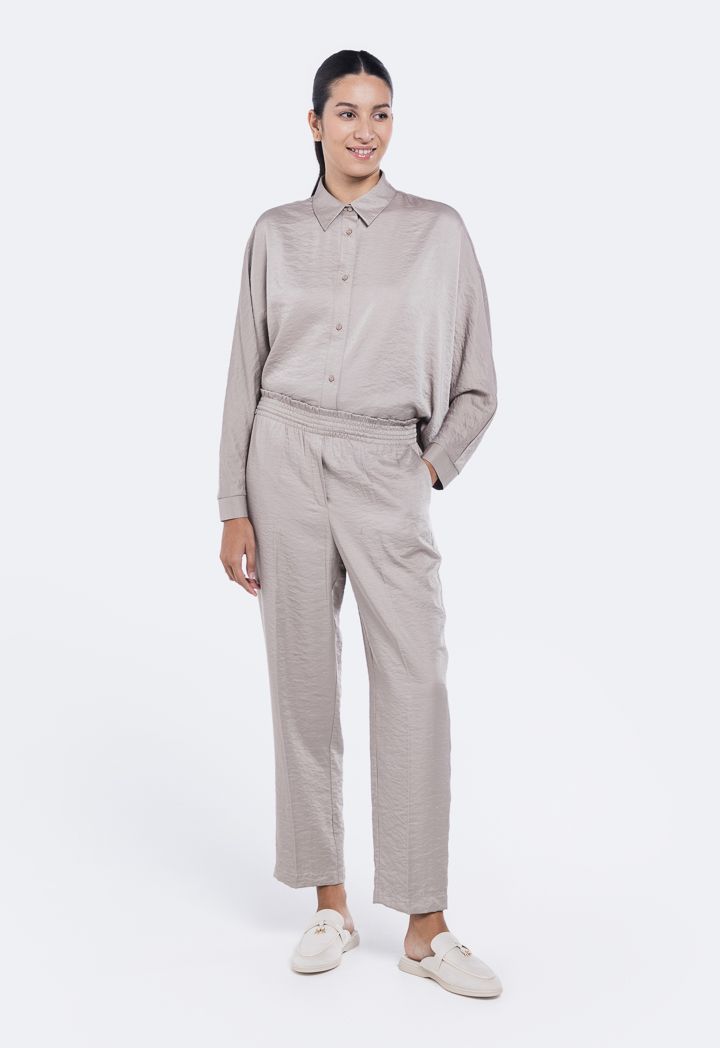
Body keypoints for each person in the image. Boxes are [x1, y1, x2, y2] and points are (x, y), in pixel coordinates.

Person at [217, 49, 502, 998]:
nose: (365, 130)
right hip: (283, 458)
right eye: (346, 112)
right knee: (303, 683)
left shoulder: (438, 232)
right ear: (314, 124)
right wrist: (233, 504)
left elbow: (478, 385)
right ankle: (329, 903)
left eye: (380, 113)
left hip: (387, 463)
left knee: (415, 681)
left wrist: (426, 467)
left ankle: (425, 924)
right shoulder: (274, 233)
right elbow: (245, 373)